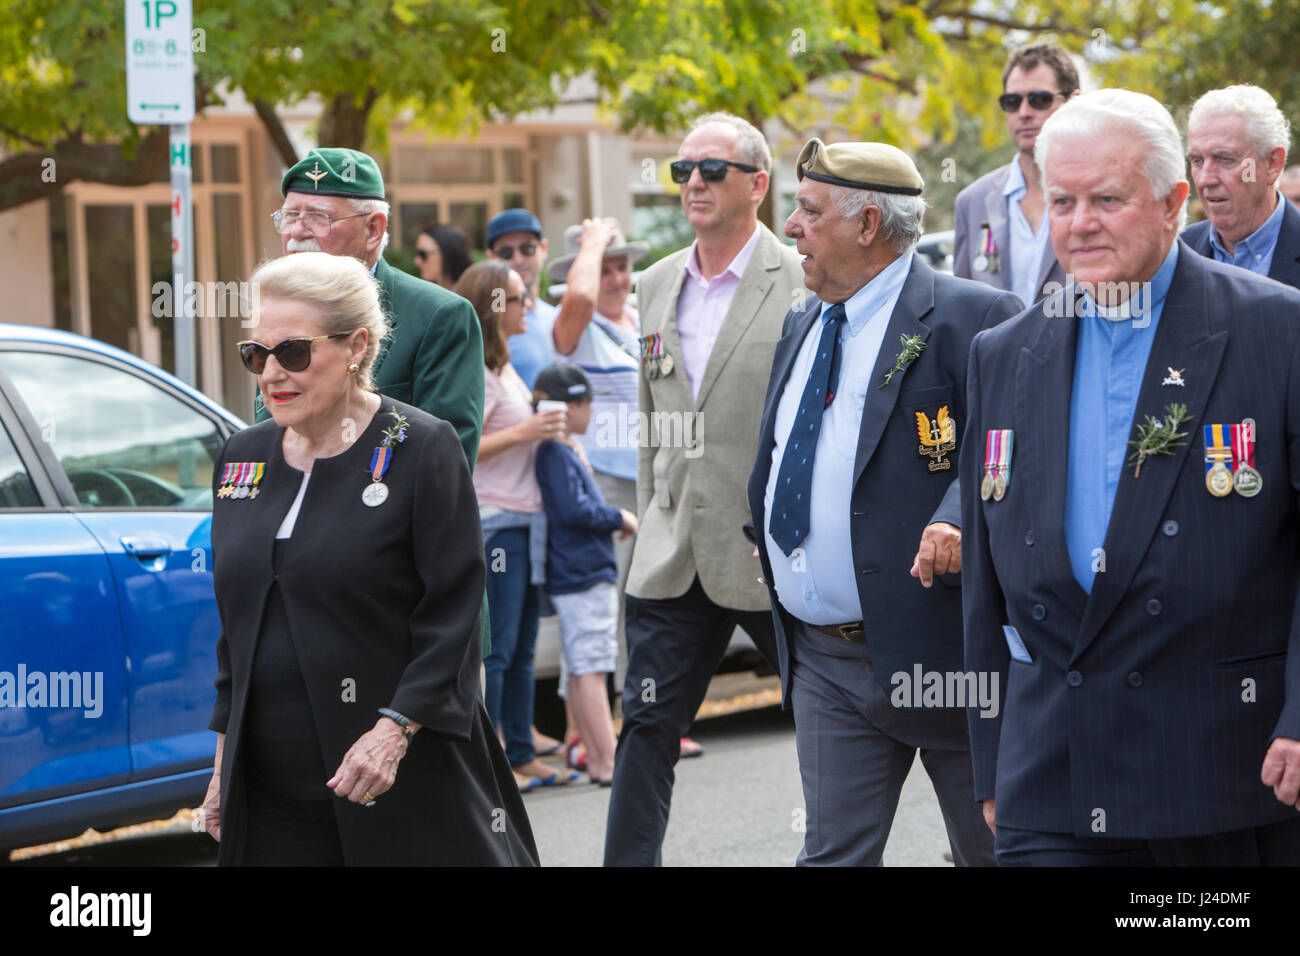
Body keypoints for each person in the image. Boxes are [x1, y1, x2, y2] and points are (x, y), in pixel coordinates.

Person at [963, 89, 1300, 866]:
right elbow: (985, 580)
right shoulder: (1003, 353)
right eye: (1064, 201)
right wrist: (993, 761)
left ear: (1173, 201)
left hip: (1223, 768)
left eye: (1108, 200)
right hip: (1051, 774)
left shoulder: (1276, 330)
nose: (1080, 224)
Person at [198, 251, 537, 865]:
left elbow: (453, 614)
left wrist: (393, 731)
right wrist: (225, 762)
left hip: (393, 770)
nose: (272, 373)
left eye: (294, 353)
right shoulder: (242, 456)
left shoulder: (420, 446)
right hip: (273, 785)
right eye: (257, 354)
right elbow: (237, 627)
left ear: (357, 346)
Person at [746, 139, 1022, 866]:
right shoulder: (802, 321)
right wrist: (771, 532)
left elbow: (1013, 446)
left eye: (807, 210)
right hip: (823, 658)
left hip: (944, 652)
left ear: (868, 224)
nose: (792, 228)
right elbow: (786, 452)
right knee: (832, 857)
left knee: (992, 852)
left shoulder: (975, 316)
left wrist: (959, 516)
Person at [603, 112, 805, 866]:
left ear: (757, 184)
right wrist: (654, 506)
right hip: (673, 549)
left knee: (830, 726)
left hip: (772, 554)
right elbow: (655, 412)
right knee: (647, 729)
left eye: (711, 169)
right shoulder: (655, 283)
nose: (692, 181)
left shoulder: (800, 279)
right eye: (681, 168)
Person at [259, 148, 484, 469]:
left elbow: (446, 463)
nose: (296, 232)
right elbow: (270, 435)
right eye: (290, 215)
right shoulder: (274, 313)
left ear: (374, 229)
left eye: (318, 217)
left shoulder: (439, 315)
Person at [453, 260, 579, 790]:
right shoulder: (474, 373)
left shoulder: (504, 366)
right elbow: (465, 449)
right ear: (495, 306)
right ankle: (498, 756)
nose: (529, 303)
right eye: (520, 296)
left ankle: (522, 751)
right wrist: (529, 429)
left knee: (525, 644)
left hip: (527, 520)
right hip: (497, 522)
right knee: (499, 647)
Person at [533, 363, 638, 785]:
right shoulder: (557, 453)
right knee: (593, 667)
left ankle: (597, 759)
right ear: (570, 405)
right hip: (584, 571)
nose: (591, 410)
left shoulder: (559, 449)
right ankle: (609, 760)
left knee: (582, 667)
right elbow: (572, 510)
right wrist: (619, 517)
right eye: (586, 402)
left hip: (575, 571)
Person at [953, 43, 1077, 306]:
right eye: (1012, 101)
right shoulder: (972, 202)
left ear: (1072, 102)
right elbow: (961, 310)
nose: (1024, 113)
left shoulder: (1097, 195)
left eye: (1039, 99)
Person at [1181, 85, 1300, 290]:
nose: (1204, 180)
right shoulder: (1177, 254)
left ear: (1272, 163)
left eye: (1225, 159)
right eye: (1197, 160)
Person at [487, 207, 556, 389]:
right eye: (506, 253)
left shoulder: (555, 316)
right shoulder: (491, 316)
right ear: (491, 257)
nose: (518, 259)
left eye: (527, 249)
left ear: (543, 249)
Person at [415, 223, 473, 288]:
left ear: (448, 252)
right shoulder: (429, 295)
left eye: (422, 254)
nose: (417, 261)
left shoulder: (472, 294)